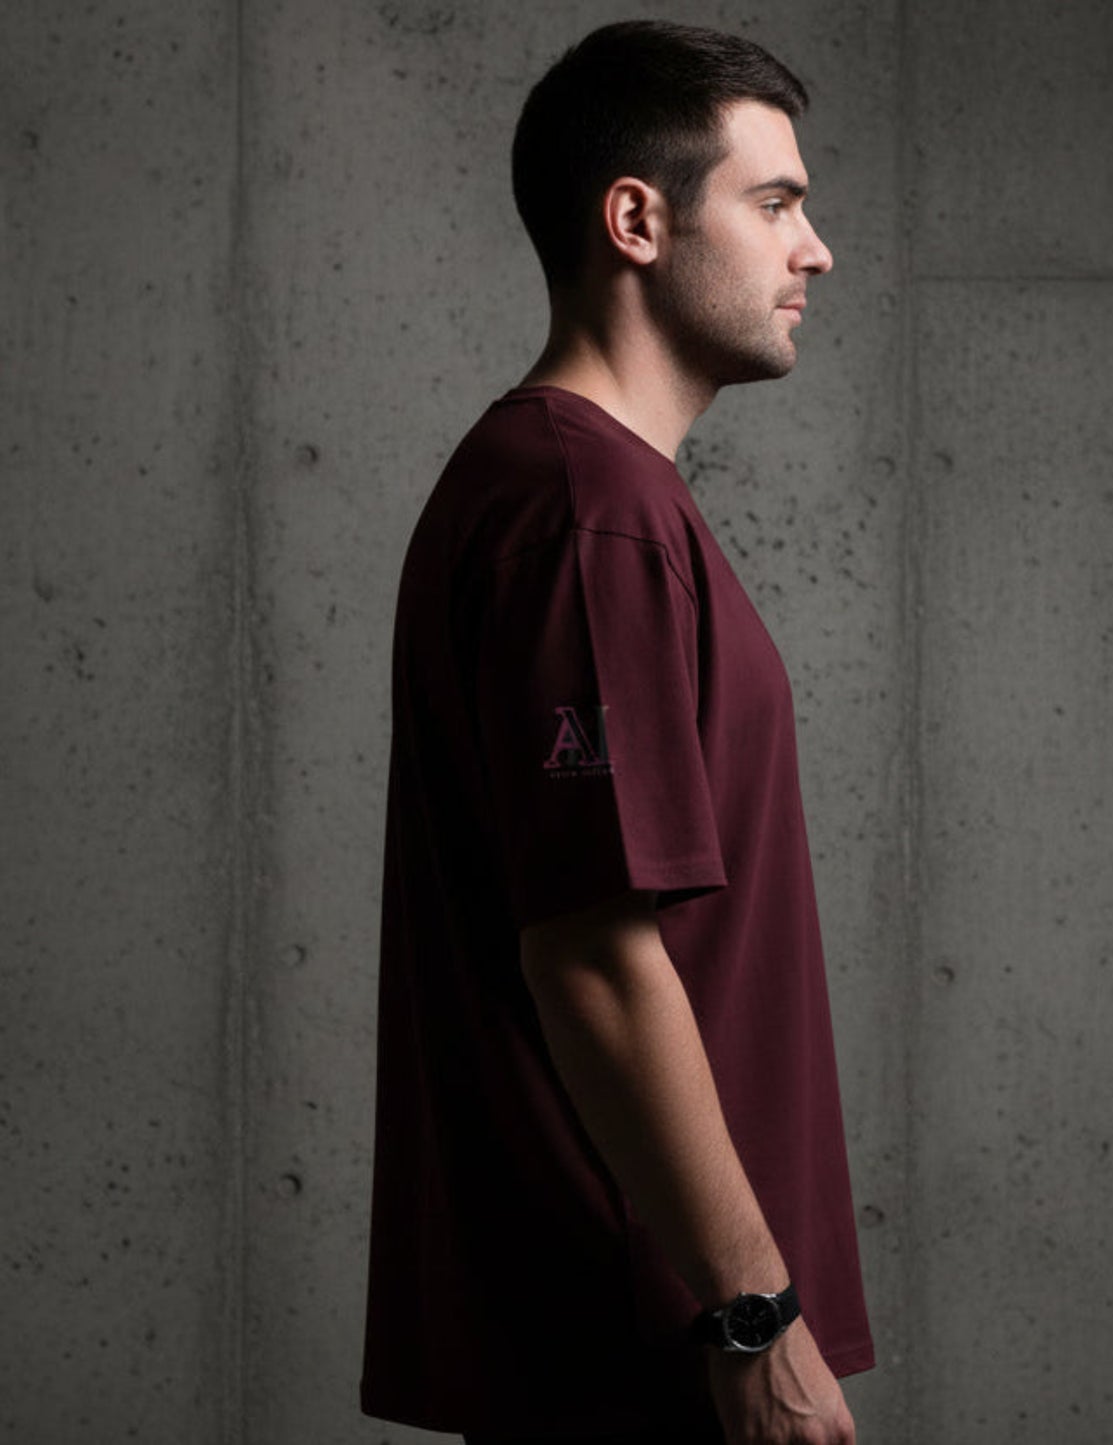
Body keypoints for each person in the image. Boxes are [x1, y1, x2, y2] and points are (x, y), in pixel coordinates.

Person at [360, 20, 873, 1445]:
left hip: (641, 1330)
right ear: (636, 220)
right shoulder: (584, 510)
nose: (814, 248)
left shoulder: (577, 493)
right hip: (645, 1344)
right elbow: (586, 950)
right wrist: (754, 1319)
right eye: (774, 202)